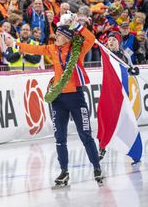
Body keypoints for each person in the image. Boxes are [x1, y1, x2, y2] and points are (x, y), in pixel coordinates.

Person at [16, 14, 102, 187]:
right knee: (59, 137)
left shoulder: (78, 50)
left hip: (76, 97)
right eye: (55, 33)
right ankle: (64, 172)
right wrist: (16, 45)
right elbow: (35, 49)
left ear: (68, 37)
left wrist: (77, 26)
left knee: (85, 135)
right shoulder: (51, 49)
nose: (56, 36)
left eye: (60, 34)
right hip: (58, 99)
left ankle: (97, 168)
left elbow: (91, 38)